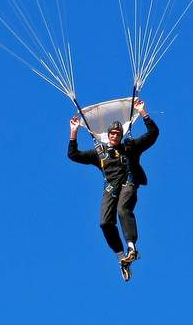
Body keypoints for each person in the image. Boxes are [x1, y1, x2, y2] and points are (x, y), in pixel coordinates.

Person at [68, 99, 159, 281]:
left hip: (129, 183)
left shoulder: (130, 148)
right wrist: (74, 131)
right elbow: (73, 155)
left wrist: (143, 112)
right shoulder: (99, 153)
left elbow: (153, 134)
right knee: (105, 223)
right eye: (113, 133)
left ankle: (132, 248)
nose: (115, 136)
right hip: (111, 188)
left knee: (122, 209)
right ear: (108, 135)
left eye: (118, 133)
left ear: (121, 135)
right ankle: (122, 258)